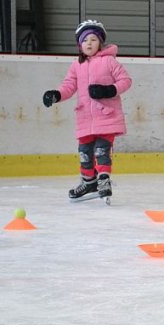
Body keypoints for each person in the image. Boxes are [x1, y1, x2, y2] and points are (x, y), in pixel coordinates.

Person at [42, 19, 132, 200]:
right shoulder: (77, 65)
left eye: (93, 39)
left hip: (107, 115)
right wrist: (56, 95)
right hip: (85, 117)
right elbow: (68, 86)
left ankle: (103, 178)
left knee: (101, 150)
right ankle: (89, 182)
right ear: (79, 45)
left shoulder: (109, 62)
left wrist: (109, 90)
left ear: (100, 42)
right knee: (84, 152)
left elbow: (125, 81)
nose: (89, 43)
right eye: (85, 40)